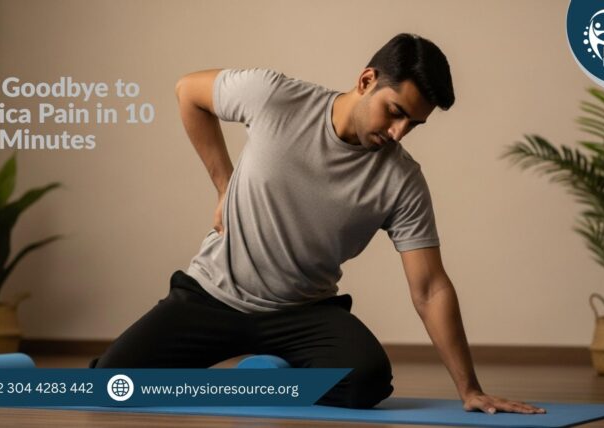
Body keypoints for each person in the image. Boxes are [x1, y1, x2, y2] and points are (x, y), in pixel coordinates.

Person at [91, 33, 546, 414]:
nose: (399, 133)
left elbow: (429, 287)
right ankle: (259, 382)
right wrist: (224, 185)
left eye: (414, 124)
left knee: (366, 381)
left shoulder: (402, 180)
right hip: (213, 295)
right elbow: (188, 91)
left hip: (302, 313)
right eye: (395, 112)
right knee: (111, 384)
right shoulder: (276, 98)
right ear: (366, 80)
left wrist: (469, 389)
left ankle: (269, 372)